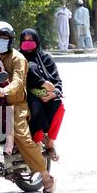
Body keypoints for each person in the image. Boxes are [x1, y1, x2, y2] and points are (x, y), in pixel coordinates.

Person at [0, 21, 56, 193]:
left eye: (4, 38)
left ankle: (46, 176)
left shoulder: (18, 58)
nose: (0, 41)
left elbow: (18, 81)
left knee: (22, 136)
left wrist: (5, 90)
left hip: (15, 104)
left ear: (10, 40)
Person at [19, 28, 65, 161]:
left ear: (37, 41)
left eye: (31, 40)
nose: (27, 43)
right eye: (25, 40)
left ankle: (50, 143)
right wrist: (39, 93)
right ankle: (38, 142)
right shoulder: (19, 58)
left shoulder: (46, 58)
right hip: (28, 94)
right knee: (35, 106)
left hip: (49, 94)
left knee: (59, 105)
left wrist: (54, 93)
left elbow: (56, 80)